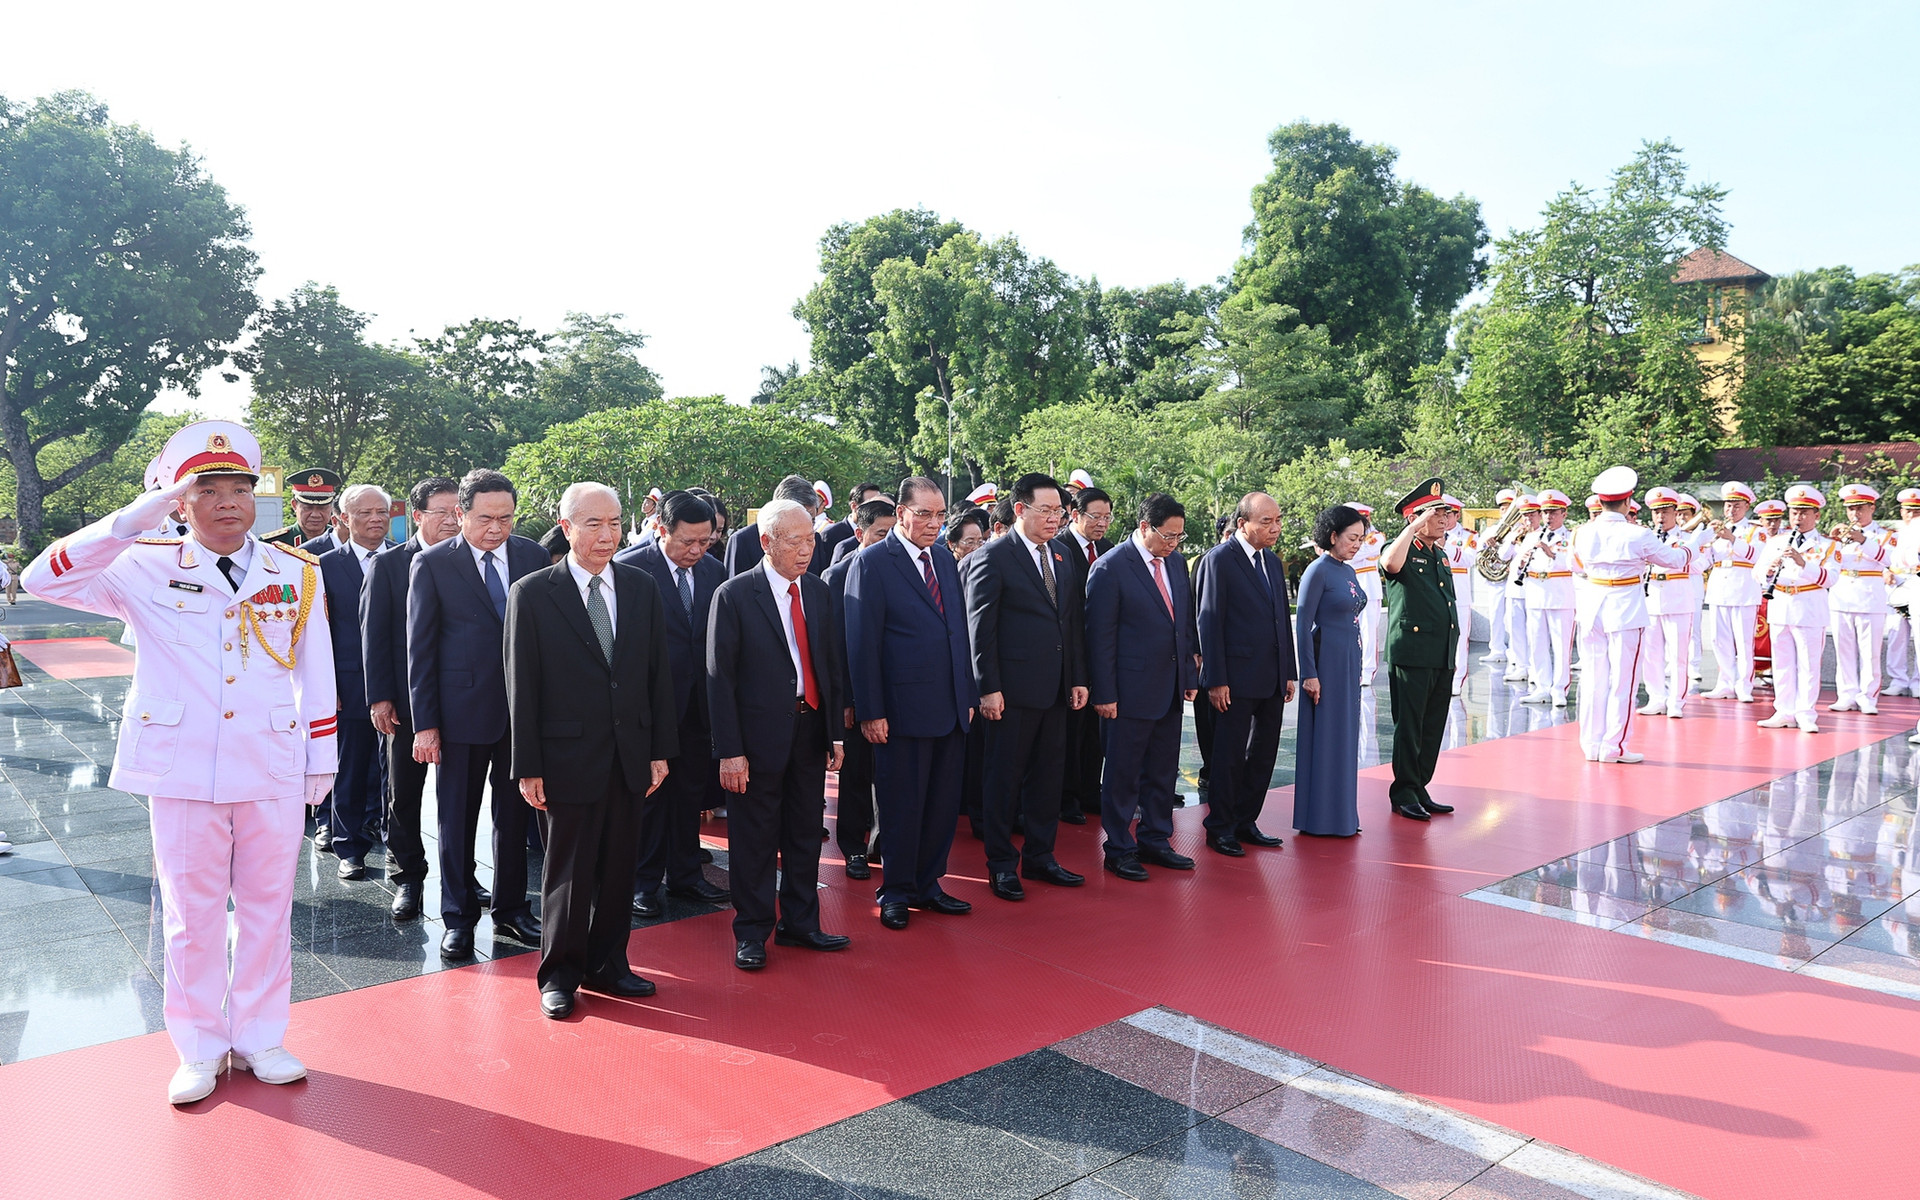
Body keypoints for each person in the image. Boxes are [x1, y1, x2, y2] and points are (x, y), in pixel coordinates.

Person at [25, 420, 336, 1105]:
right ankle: (197, 1045)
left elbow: (318, 672)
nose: (229, 502)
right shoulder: (139, 564)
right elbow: (39, 576)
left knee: (266, 909)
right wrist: (132, 519)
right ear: (177, 501)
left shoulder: (294, 572)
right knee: (191, 915)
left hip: (272, 762)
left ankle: (260, 1036)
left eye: (239, 489)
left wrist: (323, 759)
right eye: (208, 490)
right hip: (182, 766)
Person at [506, 483, 676, 1018]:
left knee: (620, 865)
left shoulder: (643, 587)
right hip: (564, 757)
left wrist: (659, 749)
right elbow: (521, 686)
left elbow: (657, 675)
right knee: (568, 871)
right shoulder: (533, 593)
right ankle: (560, 973)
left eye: (615, 523)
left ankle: (610, 963)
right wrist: (527, 764)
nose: (607, 536)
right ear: (566, 527)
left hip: (629, 752)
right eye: (594, 525)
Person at [407, 468, 549, 959]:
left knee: (516, 818)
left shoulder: (532, 557)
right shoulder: (432, 564)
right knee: (455, 818)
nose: (497, 528)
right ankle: (458, 915)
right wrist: (425, 724)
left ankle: (512, 909)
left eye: (506, 518)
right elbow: (419, 651)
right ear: (460, 514)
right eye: (485, 518)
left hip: (522, 715)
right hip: (460, 714)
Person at [708, 498, 849, 969]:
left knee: (806, 832)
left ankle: (801, 924)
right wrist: (730, 752)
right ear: (766, 542)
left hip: (809, 730)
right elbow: (719, 680)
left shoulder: (820, 592)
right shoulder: (733, 595)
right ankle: (751, 932)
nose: (806, 550)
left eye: (811, 539)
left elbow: (829, 667)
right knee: (755, 839)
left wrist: (835, 734)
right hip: (756, 738)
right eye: (794, 541)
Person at [844, 476, 977, 931]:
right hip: (899, 711)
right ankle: (895, 890)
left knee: (942, 805)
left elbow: (958, 632)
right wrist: (870, 710)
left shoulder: (943, 557)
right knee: (901, 806)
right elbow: (862, 644)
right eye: (924, 514)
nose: (933, 524)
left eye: (940, 515)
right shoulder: (873, 563)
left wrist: (968, 694)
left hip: (950, 707)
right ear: (900, 512)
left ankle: (929, 883)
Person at [960, 472, 1088, 901]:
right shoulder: (992, 557)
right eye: (1047, 511)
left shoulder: (1063, 557)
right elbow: (980, 630)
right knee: (1003, 779)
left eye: (1060, 511)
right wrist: (988, 687)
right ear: (1020, 509)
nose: (1056, 519)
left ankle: (1040, 855)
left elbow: (1069, 624)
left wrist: (1076, 678)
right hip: (1010, 692)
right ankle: (1000, 864)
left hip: (1055, 690)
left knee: (1049, 778)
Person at [615, 491, 731, 917]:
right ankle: (642, 883)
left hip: (698, 706)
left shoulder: (714, 571)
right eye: (688, 542)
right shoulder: (627, 569)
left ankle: (686, 874)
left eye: (706, 542)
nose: (697, 551)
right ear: (662, 529)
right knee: (648, 798)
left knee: (688, 794)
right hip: (646, 709)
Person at [1085, 493, 1199, 880]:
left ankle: (1156, 838)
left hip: (1169, 688)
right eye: (1168, 536)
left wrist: (1189, 674)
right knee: (1122, 774)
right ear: (1145, 527)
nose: (1173, 544)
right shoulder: (1110, 567)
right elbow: (1099, 638)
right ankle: (1119, 847)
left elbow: (1182, 624)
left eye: (1179, 537)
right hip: (1126, 691)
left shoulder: (1177, 563)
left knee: (1163, 771)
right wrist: (1104, 694)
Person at [362, 477, 460, 921]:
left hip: (462, 699)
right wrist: (380, 697)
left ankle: (463, 877)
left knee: (462, 796)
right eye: (441, 511)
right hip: (405, 703)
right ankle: (408, 877)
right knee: (404, 794)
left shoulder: (469, 560)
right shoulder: (388, 566)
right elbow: (374, 638)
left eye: (458, 511)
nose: (451, 520)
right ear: (416, 516)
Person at [1193, 492, 1296, 855]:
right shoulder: (1219, 560)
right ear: (1242, 523)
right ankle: (1219, 825)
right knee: (1229, 755)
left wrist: (1289, 670)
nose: (1275, 528)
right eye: (1266, 522)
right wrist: (1216, 679)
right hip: (1233, 679)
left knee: (1264, 753)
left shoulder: (1271, 561)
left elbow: (1281, 620)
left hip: (1270, 676)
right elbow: (1209, 620)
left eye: (1278, 520)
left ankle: (1246, 819)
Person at [1571, 469, 1687, 763]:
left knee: (1594, 679)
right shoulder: (1638, 533)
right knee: (1624, 680)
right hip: (1624, 608)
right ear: (1627, 502)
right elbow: (1672, 560)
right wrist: (1690, 549)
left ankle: (1591, 743)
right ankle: (1614, 746)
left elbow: (1577, 565)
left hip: (1592, 604)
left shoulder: (1582, 531)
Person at [315, 484, 397, 879]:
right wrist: (325, 687)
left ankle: (390, 835)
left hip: (398, 685)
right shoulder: (325, 566)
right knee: (349, 767)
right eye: (364, 513)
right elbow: (317, 633)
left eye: (382, 511)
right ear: (344, 519)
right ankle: (349, 846)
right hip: (347, 682)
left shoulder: (406, 560)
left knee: (392, 770)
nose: (376, 519)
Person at [823, 498, 896, 878]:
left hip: (897, 694)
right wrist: (847, 701)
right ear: (859, 534)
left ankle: (883, 844)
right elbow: (835, 648)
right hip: (853, 698)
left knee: (891, 775)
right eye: (881, 534)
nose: (888, 540)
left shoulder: (904, 570)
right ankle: (852, 847)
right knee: (855, 777)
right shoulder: (836, 577)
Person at [1379, 479, 1458, 821]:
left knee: (1431, 724)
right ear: (1416, 518)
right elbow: (1389, 565)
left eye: (1445, 513)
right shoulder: (1402, 549)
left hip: (1440, 651)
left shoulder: (1438, 554)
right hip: (1412, 651)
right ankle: (1403, 791)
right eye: (1437, 513)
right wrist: (1410, 528)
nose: (1444, 519)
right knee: (1409, 726)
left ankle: (1420, 785)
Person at [1293, 506, 1368, 837]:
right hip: (1326, 664)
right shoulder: (1317, 570)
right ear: (1333, 535)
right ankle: (1321, 818)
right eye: (1352, 538)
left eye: (1361, 539)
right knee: (1326, 738)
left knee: (1346, 737)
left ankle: (1343, 815)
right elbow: (1303, 623)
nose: (1357, 545)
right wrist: (1308, 673)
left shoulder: (1348, 571)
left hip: (1349, 662)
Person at [1756, 485, 1836, 733]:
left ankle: (1806, 713)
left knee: (1808, 664)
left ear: (1816, 515)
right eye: (1793, 513)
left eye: (1803, 513)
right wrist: (1769, 570)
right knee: (1782, 662)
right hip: (1780, 604)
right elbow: (1756, 572)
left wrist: (1803, 564)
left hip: (1809, 607)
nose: (1798, 518)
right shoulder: (1777, 541)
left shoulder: (1827, 545)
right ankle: (1784, 710)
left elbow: (1830, 579)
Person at [1058, 487, 1114, 824]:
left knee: (1096, 730)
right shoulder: (1058, 549)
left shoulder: (1108, 551)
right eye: (1096, 516)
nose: (1102, 524)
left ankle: (1091, 790)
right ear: (1075, 514)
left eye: (1107, 517)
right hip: (1068, 654)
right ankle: (1066, 797)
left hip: (1100, 653)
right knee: (1069, 732)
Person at [1637, 488, 1706, 720]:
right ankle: (1656, 697)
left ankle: (1676, 700)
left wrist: (1675, 558)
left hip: (1678, 599)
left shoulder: (1687, 539)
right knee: (1651, 653)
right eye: (1656, 512)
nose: (1660, 517)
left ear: (1675, 512)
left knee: (1677, 655)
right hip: (1651, 598)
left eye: (1665, 511)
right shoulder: (1645, 536)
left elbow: (1702, 564)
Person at [1828, 482, 1891, 715]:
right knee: (1843, 649)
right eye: (1851, 509)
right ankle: (1845, 694)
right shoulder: (1840, 536)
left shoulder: (1884, 535)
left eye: (1860, 508)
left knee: (1870, 652)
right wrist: (1831, 540)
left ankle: (1868, 697)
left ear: (1872, 508)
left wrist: (1862, 540)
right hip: (1842, 594)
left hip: (1869, 597)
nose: (1855, 513)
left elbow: (1889, 559)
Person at [1701, 482, 1762, 702]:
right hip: (1719, 588)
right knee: (1719, 639)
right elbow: (1706, 560)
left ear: (1746, 506)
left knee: (1744, 642)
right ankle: (1724, 683)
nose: (1731, 510)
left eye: (1736, 506)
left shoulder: (1756, 531)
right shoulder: (1716, 531)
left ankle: (1744, 685)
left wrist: (1732, 539)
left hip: (1744, 589)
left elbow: (1758, 556)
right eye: (1728, 505)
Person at [1519, 490, 1575, 707]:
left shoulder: (1571, 537)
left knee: (1561, 646)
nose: (1548, 517)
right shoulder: (1532, 536)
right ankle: (1541, 686)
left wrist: (1551, 553)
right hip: (1535, 593)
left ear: (1564, 513)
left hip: (1560, 595)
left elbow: (1573, 563)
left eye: (1553, 512)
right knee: (1537, 643)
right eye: (1545, 513)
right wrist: (1523, 562)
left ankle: (1559, 689)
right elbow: (1518, 565)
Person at [725, 474, 826, 576]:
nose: (805, 550)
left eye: (811, 520)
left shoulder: (815, 540)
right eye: (795, 542)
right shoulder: (743, 541)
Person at [1497, 496, 1541, 683]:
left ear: (1539, 515)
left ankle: (1534, 668)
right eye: (1525, 515)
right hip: (1514, 590)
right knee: (1515, 630)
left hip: (1533, 590)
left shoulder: (1542, 535)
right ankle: (1521, 666)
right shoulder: (1518, 535)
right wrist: (1513, 539)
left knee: (1534, 632)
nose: (1528, 519)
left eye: (1532, 515)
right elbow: (1502, 555)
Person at [1440, 496, 1477, 697]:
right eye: (1441, 514)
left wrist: (1446, 544)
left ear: (1457, 514)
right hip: (1437, 593)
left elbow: (1469, 559)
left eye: (1448, 514)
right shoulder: (1431, 533)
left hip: (1459, 594)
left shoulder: (1468, 536)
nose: (1444, 519)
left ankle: (1456, 679)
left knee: (1460, 640)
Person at [264, 467, 343, 552]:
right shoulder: (273, 543)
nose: (315, 515)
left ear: (331, 507)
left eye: (322, 508)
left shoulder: (341, 539)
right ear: (294, 505)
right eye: (308, 508)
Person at [1349, 503, 1384, 687]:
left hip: (1369, 588)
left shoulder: (1375, 537)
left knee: (1368, 631)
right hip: (1349, 587)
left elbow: (1354, 554)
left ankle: (1367, 670)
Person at [1482, 488, 1517, 665]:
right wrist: (1491, 547)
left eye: (1510, 507)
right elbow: (1480, 555)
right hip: (1496, 579)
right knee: (1496, 614)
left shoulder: (1520, 530)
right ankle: (1496, 649)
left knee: (1513, 618)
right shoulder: (1491, 530)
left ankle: (1514, 651)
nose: (1506, 511)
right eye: (1503, 508)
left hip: (1515, 579)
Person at [820, 481, 882, 561]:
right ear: (854, 506)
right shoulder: (830, 534)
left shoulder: (881, 533)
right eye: (871, 506)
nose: (876, 510)